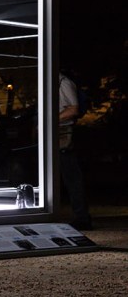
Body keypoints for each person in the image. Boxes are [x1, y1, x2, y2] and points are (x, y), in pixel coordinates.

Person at [58, 71, 92, 230]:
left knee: (71, 176)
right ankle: (80, 215)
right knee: (69, 176)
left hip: (63, 133)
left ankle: (82, 216)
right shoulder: (57, 82)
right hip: (59, 133)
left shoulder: (63, 82)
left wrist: (50, 119)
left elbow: (73, 109)